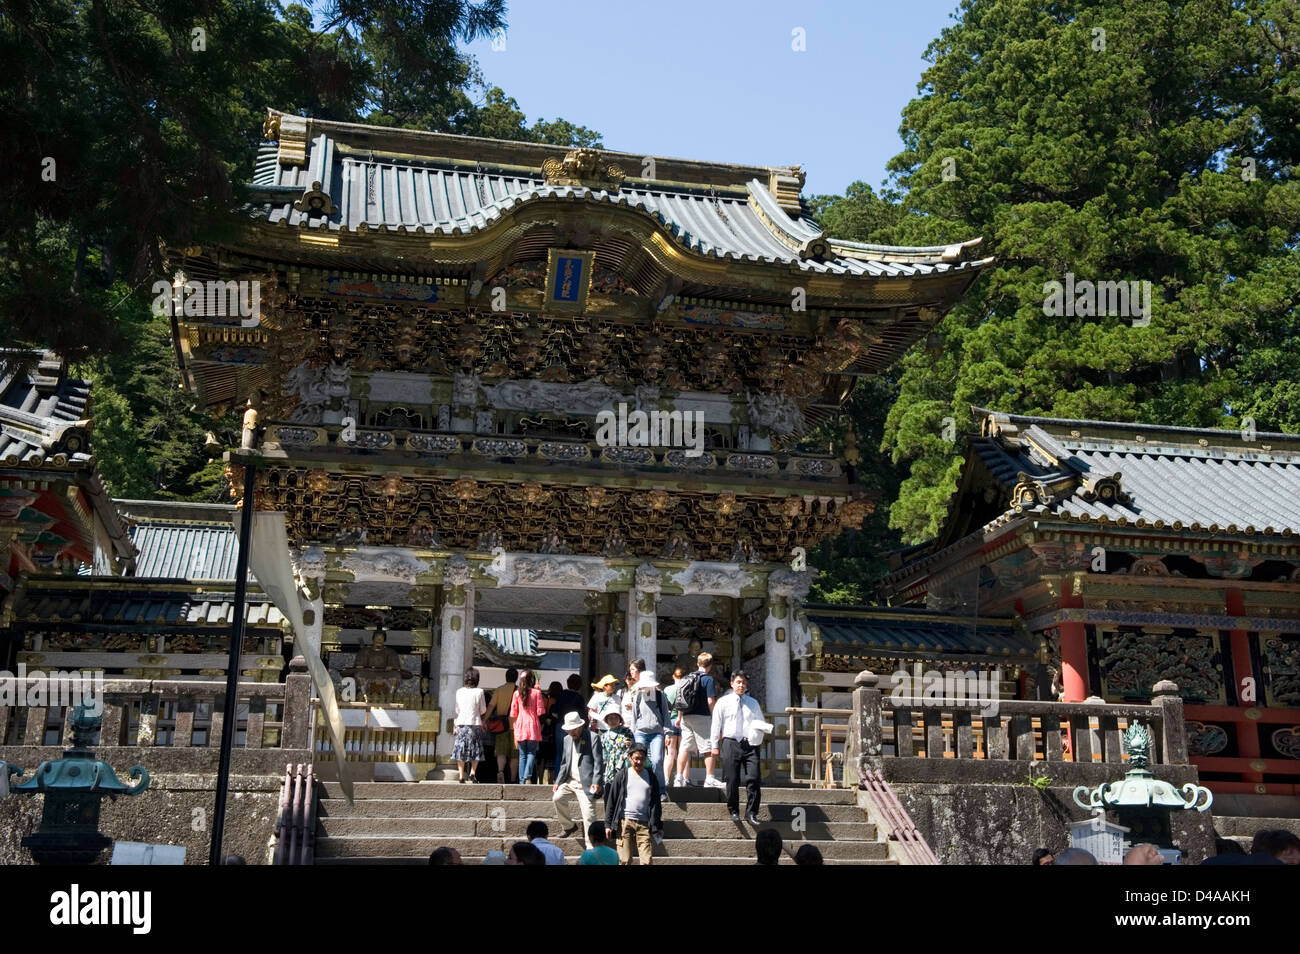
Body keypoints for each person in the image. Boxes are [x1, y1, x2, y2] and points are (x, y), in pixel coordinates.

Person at [709, 670, 766, 824]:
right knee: (732, 779)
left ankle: (751, 812)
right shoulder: (723, 702)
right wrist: (714, 745)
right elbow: (716, 725)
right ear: (732, 684)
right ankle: (733, 810)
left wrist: (761, 731)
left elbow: (760, 722)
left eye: (744, 683)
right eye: (738, 682)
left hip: (750, 743)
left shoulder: (753, 703)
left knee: (753, 777)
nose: (741, 685)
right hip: (731, 742)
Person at [604, 743, 663, 865]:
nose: (639, 762)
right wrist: (608, 824)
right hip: (624, 822)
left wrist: (658, 826)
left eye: (642, 758)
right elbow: (612, 800)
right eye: (636, 758)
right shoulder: (622, 775)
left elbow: (656, 804)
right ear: (630, 758)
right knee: (624, 860)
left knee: (647, 860)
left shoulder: (651, 777)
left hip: (644, 823)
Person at [553, 711, 604, 848]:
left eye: (573, 729)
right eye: (569, 730)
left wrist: (596, 782)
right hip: (571, 781)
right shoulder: (566, 739)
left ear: (580, 726)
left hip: (587, 783)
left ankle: (591, 847)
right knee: (557, 798)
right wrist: (558, 781)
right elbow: (564, 763)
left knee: (589, 817)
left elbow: (599, 763)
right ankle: (568, 826)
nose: (571, 732)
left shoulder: (593, 738)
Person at [674, 651, 719, 788]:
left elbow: (681, 700)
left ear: (697, 663)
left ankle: (679, 778)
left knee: (684, 748)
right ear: (710, 665)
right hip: (702, 716)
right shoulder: (708, 679)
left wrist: (679, 717)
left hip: (686, 717)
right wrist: (715, 716)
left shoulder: (686, 678)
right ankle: (709, 778)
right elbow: (710, 700)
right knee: (708, 748)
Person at [628, 670, 671, 797]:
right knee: (641, 760)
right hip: (640, 732)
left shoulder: (660, 696)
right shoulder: (637, 696)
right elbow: (634, 717)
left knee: (657, 760)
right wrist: (632, 734)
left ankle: (661, 790)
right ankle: (643, 788)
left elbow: (666, 715)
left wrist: (668, 733)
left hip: (657, 733)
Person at [510, 669, 547, 783]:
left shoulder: (516, 693)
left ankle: (522, 780)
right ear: (532, 680)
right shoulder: (536, 693)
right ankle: (527, 776)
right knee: (531, 752)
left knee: (522, 755)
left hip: (520, 725)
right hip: (532, 725)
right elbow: (540, 711)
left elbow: (513, 713)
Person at [453, 667, 487, 783]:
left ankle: (461, 775)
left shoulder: (459, 691)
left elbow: (457, 710)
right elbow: (483, 710)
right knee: (475, 749)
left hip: (461, 723)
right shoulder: (480, 692)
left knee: (460, 749)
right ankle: (472, 773)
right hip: (474, 723)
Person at [551, 674, 587, 770]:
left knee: (559, 754)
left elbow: (554, 712)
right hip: (575, 728)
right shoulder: (579, 698)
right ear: (580, 685)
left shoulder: (561, 695)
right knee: (573, 753)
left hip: (560, 725)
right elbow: (583, 716)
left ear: (568, 683)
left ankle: (557, 777)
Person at [489, 668, 518, 783]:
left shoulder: (499, 690)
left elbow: (491, 706)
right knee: (515, 755)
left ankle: (500, 772)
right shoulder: (519, 691)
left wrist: (485, 719)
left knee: (501, 752)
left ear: (506, 677)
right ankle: (512, 779)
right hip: (516, 727)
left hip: (501, 727)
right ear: (516, 678)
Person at [600, 709, 634, 785]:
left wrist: (629, 744)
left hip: (624, 764)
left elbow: (633, 746)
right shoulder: (604, 736)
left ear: (620, 719)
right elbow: (604, 754)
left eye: (615, 718)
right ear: (606, 720)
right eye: (610, 718)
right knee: (612, 789)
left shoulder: (627, 732)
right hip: (610, 767)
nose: (613, 720)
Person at [663, 666, 684, 787]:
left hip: (670, 721)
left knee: (669, 752)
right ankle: (683, 778)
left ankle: (666, 778)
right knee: (683, 751)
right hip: (683, 721)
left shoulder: (667, 689)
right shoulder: (685, 688)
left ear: (673, 677)